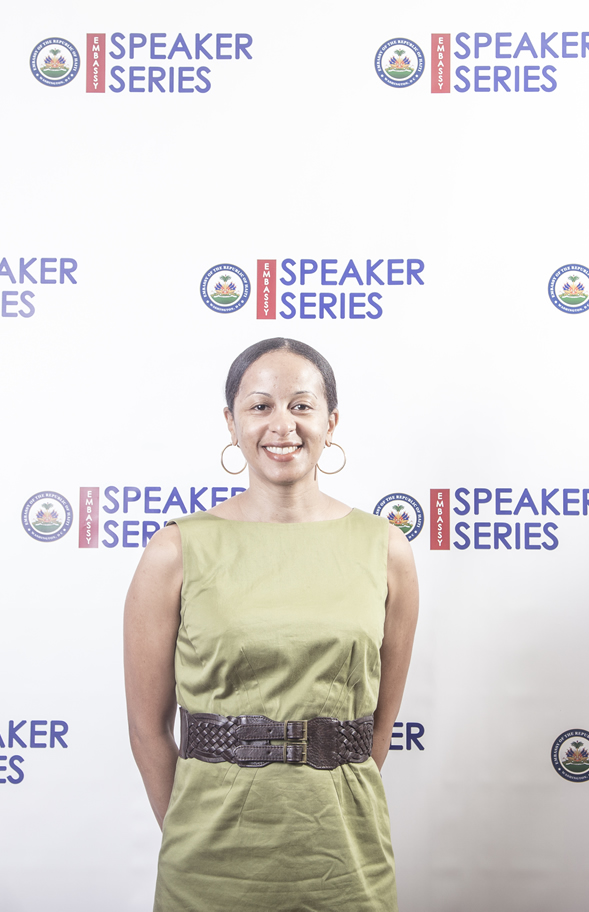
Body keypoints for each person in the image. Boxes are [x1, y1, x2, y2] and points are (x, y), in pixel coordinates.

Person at [123, 337, 420, 911]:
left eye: (301, 405)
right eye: (260, 406)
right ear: (231, 422)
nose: (282, 425)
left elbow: (378, 728)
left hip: (347, 864)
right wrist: (188, 830)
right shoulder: (175, 550)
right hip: (206, 864)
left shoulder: (385, 548)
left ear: (331, 421)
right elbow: (146, 730)